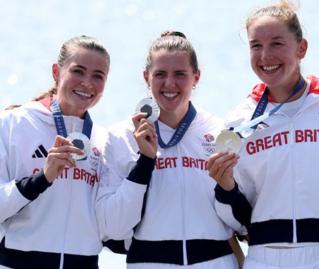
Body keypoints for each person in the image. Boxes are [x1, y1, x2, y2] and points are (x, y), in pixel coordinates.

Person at [206, 1, 319, 268]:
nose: (265, 56)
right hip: (265, 258)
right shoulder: (238, 121)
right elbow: (237, 221)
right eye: (256, 46)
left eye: (276, 43)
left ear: (302, 48)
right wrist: (226, 186)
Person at [96, 31, 240, 269]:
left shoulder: (218, 131)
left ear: (196, 76)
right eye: (160, 74)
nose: (169, 84)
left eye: (180, 74)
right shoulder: (121, 136)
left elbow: (241, 223)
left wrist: (229, 189)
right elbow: (112, 227)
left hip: (215, 262)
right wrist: (144, 162)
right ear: (146, 77)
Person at [0, 35, 110, 269]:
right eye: (78, 71)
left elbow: (110, 223)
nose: (87, 83)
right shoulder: (12, 123)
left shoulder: (103, 140)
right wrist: (42, 178)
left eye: (97, 76)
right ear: (56, 72)